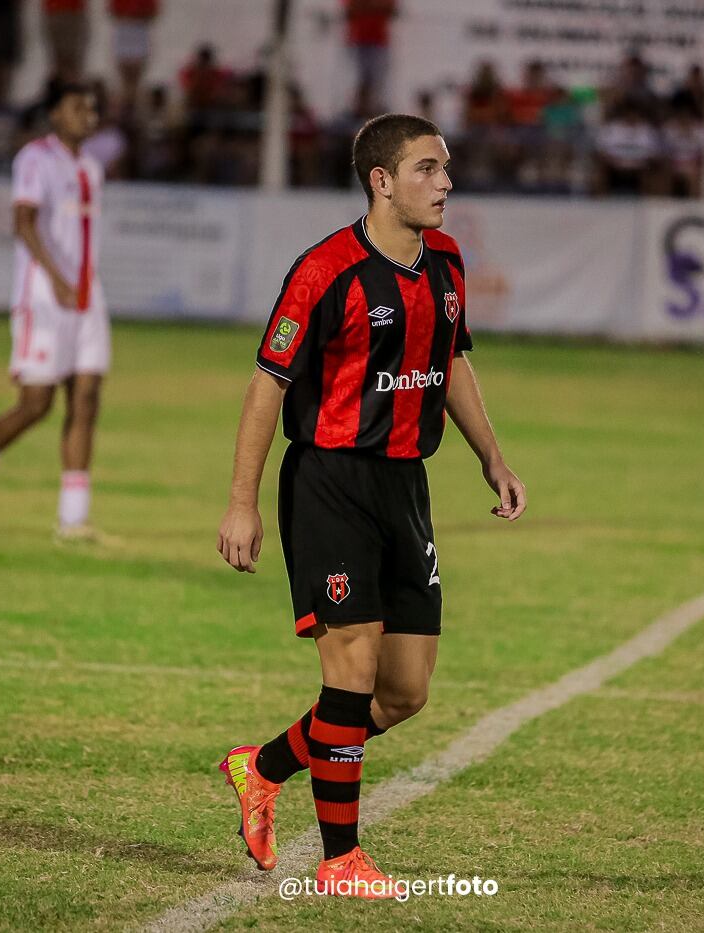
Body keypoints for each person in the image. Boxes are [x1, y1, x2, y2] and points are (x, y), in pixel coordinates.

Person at [214, 113, 526, 895]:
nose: (446, 183)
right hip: (329, 483)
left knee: (404, 690)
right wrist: (241, 504)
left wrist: (492, 456)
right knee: (350, 670)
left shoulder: (446, 262)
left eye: (445, 168)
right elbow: (267, 384)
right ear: (381, 182)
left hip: (404, 488)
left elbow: (448, 361)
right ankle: (340, 860)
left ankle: (263, 765)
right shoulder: (325, 271)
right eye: (427, 169)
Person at [0, 83, 110, 543]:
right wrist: (55, 277)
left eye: (91, 108)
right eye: (78, 107)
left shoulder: (91, 166)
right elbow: (24, 223)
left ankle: (73, 520)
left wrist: (81, 284)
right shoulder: (35, 159)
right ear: (54, 113)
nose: (87, 115)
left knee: (87, 398)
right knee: (37, 403)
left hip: (86, 295)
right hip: (43, 295)